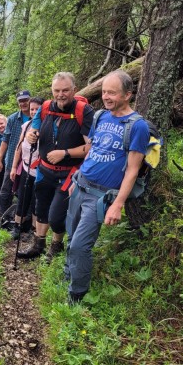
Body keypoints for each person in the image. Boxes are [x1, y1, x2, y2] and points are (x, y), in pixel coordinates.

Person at [65, 70, 149, 304]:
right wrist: (77, 177)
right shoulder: (101, 116)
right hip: (80, 185)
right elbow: (92, 150)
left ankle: (77, 295)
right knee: (71, 236)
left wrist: (118, 205)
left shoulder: (137, 127)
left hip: (100, 197)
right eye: (104, 92)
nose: (106, 97)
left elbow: (132, 169)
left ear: (128, 95)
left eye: (112, 93)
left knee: (81, 245)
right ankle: (68, 272)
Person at [19, 72, 94, 261]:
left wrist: (65, 153)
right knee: (41, 208)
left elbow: (91, 147)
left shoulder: (83, 112)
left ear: (74, 90)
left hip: (69, 174)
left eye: (65, 90)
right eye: (57, 90)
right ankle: (38, 244)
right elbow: (34, 126)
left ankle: (56, 245)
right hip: (44, 170)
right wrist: (31, 135)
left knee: (56, 216)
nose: (61, 94)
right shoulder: (45, 107)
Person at [9, 97, 44, 240]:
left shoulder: (48, 125)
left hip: (41, 170)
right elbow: (19, 148)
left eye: (37, 109)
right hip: (25, 167)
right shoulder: (26, 125)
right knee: (23, 197)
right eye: (32, 109)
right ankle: (17, 226)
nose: (34, 112)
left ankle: (34, 229)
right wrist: (13, 167)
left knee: (37, 200)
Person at [0, 90, 32, 217]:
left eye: (25, 100)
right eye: (20, 101)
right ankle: (2, 216)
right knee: (6, 189)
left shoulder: (37, 117)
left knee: (26, 191)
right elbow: (5, 140)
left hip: (30, 161)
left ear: (30, 100)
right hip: (12, 159)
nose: (23, 103)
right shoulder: (12, 119)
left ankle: (24, 218)